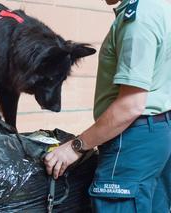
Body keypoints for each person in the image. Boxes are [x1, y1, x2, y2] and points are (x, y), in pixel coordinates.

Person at [44, 0, 171, 212]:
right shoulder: (162, 8)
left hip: (132, 140)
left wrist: (76, 146)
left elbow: (130, 106)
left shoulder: (138, 19)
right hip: (160, 135)